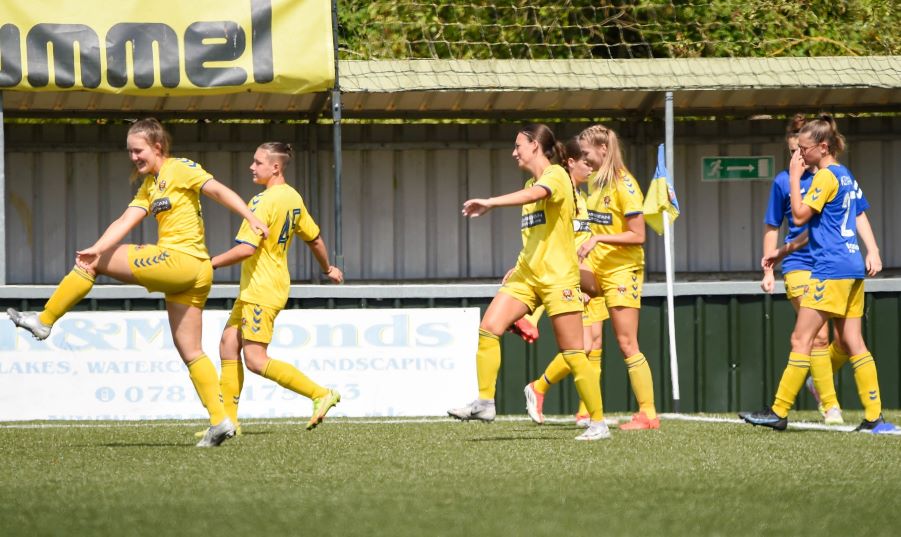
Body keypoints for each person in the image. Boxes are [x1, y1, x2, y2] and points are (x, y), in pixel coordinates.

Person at [7, 118, 269, 447]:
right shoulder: (150, 186)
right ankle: (221, 421)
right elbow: (125, 220)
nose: (133, 156)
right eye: (130, 151)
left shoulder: (178, 167)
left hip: (182, 261)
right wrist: (98, 247)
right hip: (196, 273)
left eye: (138, 150)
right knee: (190, 350)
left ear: (157, 147)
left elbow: (216, 189)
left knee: (95, 264)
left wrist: (251, 216)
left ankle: (44, 320)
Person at [447, 123, 609, 441]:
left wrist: (491, 202)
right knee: (488, 328)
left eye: (518, 145)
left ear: (534, 145)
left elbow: (538, 193)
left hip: (558, 277)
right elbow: (537, 236)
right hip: (527, 274)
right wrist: (517, 265)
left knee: (575, 351)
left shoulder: (557, 177)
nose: (514, 151)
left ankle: (599, 423)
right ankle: (485, 402)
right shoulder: (529, 182)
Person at [740, 114, 896, 434]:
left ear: (822, 148)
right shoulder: (847, 175)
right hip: (852, 267)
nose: (799, 155)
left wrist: (795, 177)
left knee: (802, 337)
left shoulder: (824, 177)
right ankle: (874, 417)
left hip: (831, 268)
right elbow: (817, 231)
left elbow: (798, 216)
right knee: (853, 341)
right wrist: (781, 253)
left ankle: (778, 411)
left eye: (804, 149)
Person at [205, 142, 344, 435]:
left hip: (262, 288)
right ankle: (228, 423)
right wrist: (327, 268)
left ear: (275, 167)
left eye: (257, 162)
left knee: (255, 360)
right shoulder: (293, 197)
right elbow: (315, 239)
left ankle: (320, 393)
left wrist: (210, 264)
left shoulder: (261, 201)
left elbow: (246, 249)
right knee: (228, 343)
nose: (251, 167)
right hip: (265, 285)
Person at [576, 124, 660, 431]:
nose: (583, 159)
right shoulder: (595, 184)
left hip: (622, 271)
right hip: (599, 268)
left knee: (627, 343)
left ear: (602, 150)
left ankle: (648, 414)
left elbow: (638, 235)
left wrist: (598, 241)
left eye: (586, 154)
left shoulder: (625, 185)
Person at [521, 136, 609, 427]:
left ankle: (586, 411)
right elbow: (549, 241)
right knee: (581, 347)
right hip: (568, 278)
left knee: (593, 343)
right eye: (587, 163)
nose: (592, 169)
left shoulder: (580, 196)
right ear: (570, 163)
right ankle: (540, 387)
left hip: (585, 275)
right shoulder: (557, 191)